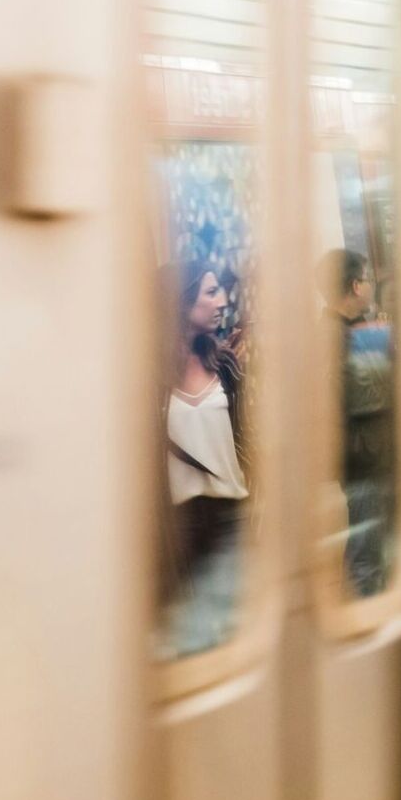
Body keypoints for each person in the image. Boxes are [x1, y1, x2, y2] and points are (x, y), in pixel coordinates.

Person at [160, 260, 250, 656]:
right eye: (211, 292)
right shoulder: (152, 378)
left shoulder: (226, 366)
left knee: (233, 631)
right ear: (182, 303)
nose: (223, 301)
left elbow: (246, 435)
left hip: (231, 511)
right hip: (179, 523)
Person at [319, 249, 395, 595]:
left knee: (372, 543)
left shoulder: (355, 330)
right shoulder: (334, 339)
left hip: (369, 457)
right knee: (368, 554)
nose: (371, 285)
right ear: (355, 285)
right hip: (363, 460)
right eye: (367, 279)